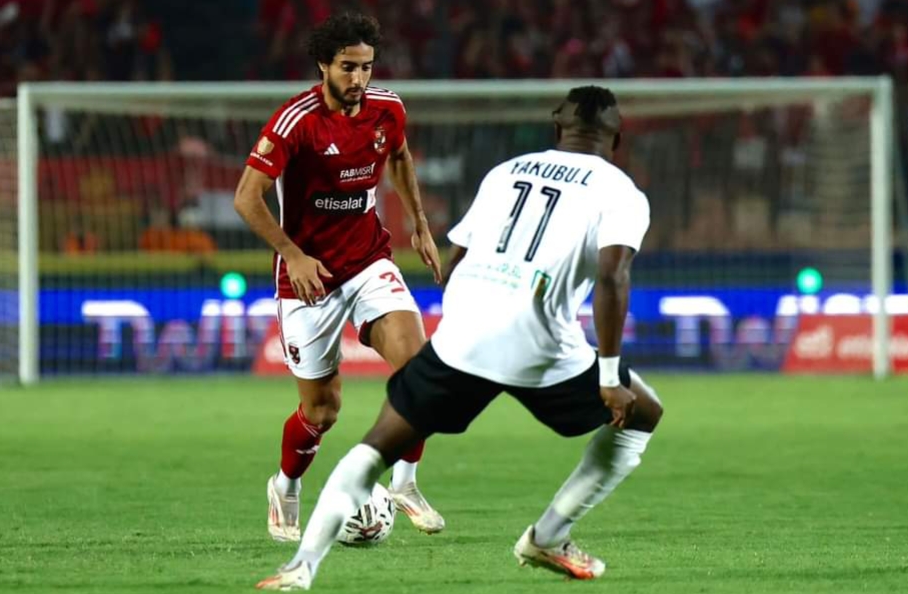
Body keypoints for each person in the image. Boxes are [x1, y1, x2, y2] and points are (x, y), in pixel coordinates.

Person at [256, 85, 665, 591]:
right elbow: (612, 277)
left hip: (463, 337)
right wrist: (608, 377)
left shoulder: (507, 172)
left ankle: (301, 567)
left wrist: (462, 327)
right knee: (644, 412)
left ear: (557, 126)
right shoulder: (622, 192)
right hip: (541, 345)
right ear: (617, 139)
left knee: (374, 447)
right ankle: (549, 535)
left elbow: (459, 261)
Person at [233, 12, 446, 543]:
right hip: (309, 279)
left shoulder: (387, 109)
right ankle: (285, 486)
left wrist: (420, 225)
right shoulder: (295, 121)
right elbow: (246, 197)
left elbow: (399, 156)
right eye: (348, 67)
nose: (359, 78)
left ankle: (405, 483)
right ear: (323, 65)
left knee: (421, 373)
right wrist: (293, 255)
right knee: (322, 411)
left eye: (366, 67)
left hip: (369, 261)